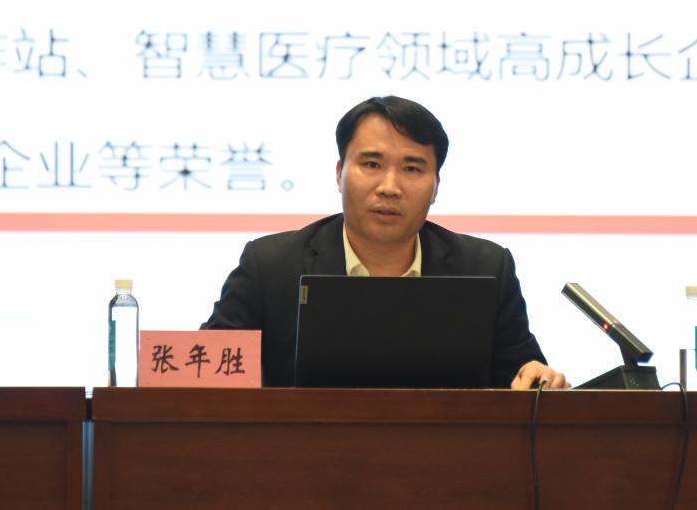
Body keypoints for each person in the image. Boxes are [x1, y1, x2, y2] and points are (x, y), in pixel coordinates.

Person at [202, 95, 568, 390]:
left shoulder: (486, 268)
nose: (390, 187)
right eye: (372, 165)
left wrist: (538, 378)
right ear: (340, 174)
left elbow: (524, 376)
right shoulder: (270, 265)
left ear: (436, 186)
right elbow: (205, 372)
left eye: (412, 168)